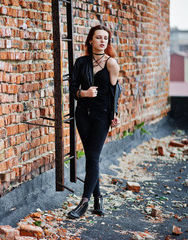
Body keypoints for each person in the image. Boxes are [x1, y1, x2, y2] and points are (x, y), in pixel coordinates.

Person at [68, 25, 121, 219]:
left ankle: (84, 202)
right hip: (82, 114)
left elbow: (115, 92)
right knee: (92, 157)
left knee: (92, 156)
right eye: (98, 37)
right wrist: (84, 93)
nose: (102, 41)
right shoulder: (81, 62)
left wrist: (115, 112)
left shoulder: (111, 63)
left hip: (101, 115)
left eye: (105, 38)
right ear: (90, 40)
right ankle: (98, 198)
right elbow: (72, 89)